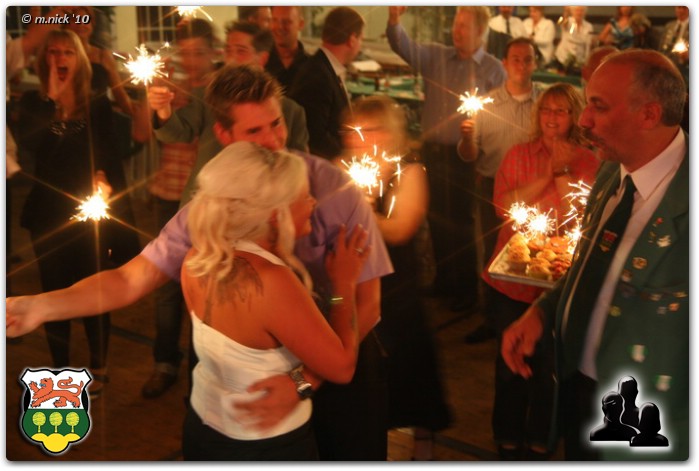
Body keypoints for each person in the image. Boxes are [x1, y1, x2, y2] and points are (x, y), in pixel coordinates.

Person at [8, 63, 394, 461]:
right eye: (254, 131)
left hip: (341, 357)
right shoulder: (212, 208)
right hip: (253, 402)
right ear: (224, 135)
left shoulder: (333, 187)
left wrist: (303, 380)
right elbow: (130, 279)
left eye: (276, 124)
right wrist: (43, 305)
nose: (273, 141)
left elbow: (368, 303)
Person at [502, 49, 688, 460]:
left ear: (649, 114)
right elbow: (591, 268)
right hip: (580, 393)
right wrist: (544, 312)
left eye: (598, 106)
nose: (584, 120)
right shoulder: (610, 173)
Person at [180, 141, 368, 460]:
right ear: (275, 215)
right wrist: (344, 284)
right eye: (304, 196)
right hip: (264, 447)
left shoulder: (198, 256)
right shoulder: (271, 281)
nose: (313, 201)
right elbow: (342, 366)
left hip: (202, 428)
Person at [16, 29, 136, 398]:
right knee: (54, 293)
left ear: (79, 59)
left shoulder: (95, 102)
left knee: (94, 290)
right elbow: (30, 148)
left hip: (89, 213)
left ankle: (99, 366)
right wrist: (51, 101)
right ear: (44, 60)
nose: (59, 58)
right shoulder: (33, 102)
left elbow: (109, 150)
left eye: (67, 52)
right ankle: (60, 371)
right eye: (52, 52)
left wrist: (103, 177)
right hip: (48, 214)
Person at [482, 83, 599, 459]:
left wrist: (562, 171)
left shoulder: (589, 161)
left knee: (550, 366)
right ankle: (507, 437)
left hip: (557, 283)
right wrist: (545, 174)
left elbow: (579, 219)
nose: (552, 117)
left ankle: (539, 439)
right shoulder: (518, 154)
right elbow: (503, 207)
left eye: (561, 110)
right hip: (511, 283)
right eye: (546, 109)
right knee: (508, 365)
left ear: (575, 116)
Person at [340, 96, 452, 460]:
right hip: (356, 284)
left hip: (397, 283)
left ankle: (423, 440)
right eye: (354, 130)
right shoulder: (342, 170)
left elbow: (402, 228)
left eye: (369, 130)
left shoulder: (410, 172)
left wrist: (365, 211)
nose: (359, 138)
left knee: (410, 364)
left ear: (388, 133)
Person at [386, 6, 506, 312]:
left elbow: (499, 119)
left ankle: (466, 290)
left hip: (464, 157)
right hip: (432, 151)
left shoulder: (493, 69)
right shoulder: (436, 56)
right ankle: (443, 281)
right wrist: (395, 20)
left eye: (464, 26)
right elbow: (402, 45)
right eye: (456, 24)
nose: (456, 31)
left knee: (461, 225)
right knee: (435, 219)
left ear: (480, 31)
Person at [138, 18, 218, 399]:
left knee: (204, 288)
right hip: (168, 194)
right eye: (185, 53)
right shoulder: (168, 85)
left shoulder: (218, 93)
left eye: (198, 53)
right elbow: (145, 134)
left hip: (204, 201)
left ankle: (202, 373)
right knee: (166, 284)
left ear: (213, 52)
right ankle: (164, 363)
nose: (192, 61)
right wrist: (154, 100)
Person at [148, 28, 308, 206]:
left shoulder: (291, 111)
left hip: (268, 205)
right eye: (228, 50)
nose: (231, 58)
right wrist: (163, 108)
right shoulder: (206, 98)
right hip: (210, 204)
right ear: (222, 134)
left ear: (262, 58)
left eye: (240, 51)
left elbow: (300, 168)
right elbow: (175, 133)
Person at [458, 37, 540, 343]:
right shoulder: (487, 104)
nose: (521, 65)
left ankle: (530, 318)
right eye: (515, 59)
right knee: (493, 253)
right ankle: (492, 319)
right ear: (504, 63)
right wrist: (467, 139)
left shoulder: (545, 105)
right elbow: (469, 155)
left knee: (532, 253)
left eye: (527, 59)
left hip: (536, 191)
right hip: (494, 188)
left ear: (535, 63)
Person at [289, 6, 365, 160]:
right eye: (361, 39)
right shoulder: (316, 74)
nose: (360, 45)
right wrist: (348, 159)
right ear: (352, 39)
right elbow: (315, 136)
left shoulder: (325, 68)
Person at [65, 5, 133, 116]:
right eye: (75, 19)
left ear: (92, 25)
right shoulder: (60, 55)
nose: (81, 24)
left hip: (100, 116)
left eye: (86, 20)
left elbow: (119, 94)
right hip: (69, 116)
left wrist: (137, 117)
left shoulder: (103, 55)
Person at [266, 6, 310, 91]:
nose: (280, 27)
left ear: (301, 24)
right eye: (275, 20)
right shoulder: (261, 62)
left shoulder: (312, 66)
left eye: (286, 21)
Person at [553, 6, 593, 72]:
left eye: (581, 11)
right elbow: (559, 22)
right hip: (563, 57)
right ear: (573, 12)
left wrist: (586, 60)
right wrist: (566, 12)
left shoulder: (589, 26)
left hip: (579, 60)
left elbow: (588, 44)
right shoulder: (568, 20)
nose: (579, 13)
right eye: (577, 10)